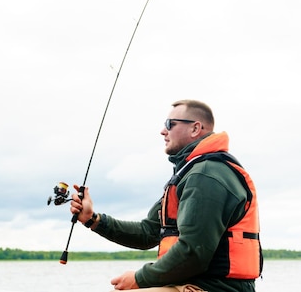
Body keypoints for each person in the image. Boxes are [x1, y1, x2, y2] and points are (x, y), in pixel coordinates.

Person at [69, 99, 262, 292]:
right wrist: (92, 219)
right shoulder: (190, 174)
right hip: (188, 284)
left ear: (195, 128)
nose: (163, 131)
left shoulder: (206, 176)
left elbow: (193, 253)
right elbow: (147, 233)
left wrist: (139, 278)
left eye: (170, 124)